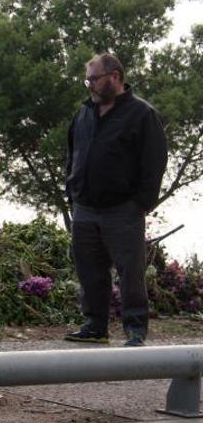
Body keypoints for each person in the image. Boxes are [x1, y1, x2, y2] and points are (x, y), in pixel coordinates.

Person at [64, 53, 167, 347]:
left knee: (130, 272)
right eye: (88, 80)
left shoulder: (142, 114)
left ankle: (135, 329)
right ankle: (95, 326)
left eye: (94, 79)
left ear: (116, 77)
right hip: (84, 207)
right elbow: (72, 154)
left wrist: (142, 202)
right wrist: (71, 190)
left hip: (123, 209)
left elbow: (155, 161)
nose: (90, 86)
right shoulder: (83, 113)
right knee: (90, 272)